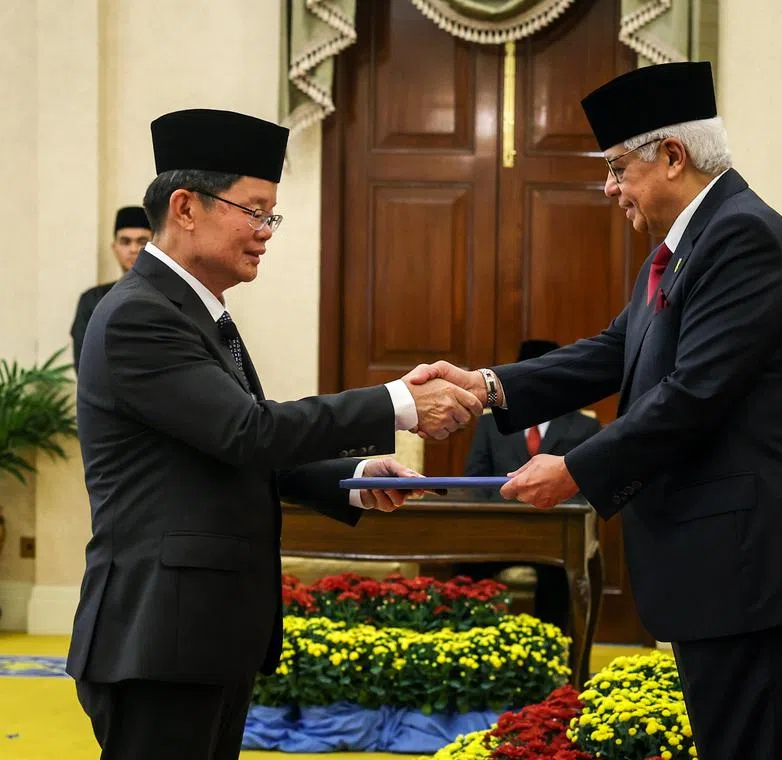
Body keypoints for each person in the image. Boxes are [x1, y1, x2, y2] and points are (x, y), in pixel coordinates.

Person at [409, 62, 782, 760]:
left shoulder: (743, 238)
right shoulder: (687, 246)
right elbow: (612, 350)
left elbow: (694, 395)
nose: (609, 188)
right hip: (726, 565)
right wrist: (488, 386)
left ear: (673, 156)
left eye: (618, 167)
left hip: (758, 564)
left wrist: (577, 471)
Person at [66, 108, 481, 760]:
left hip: (202, 630)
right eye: (255, 211)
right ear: (186, 207)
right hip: (158, 631)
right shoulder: (141, 317)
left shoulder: (200, 314)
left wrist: (354, 479)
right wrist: (398, 402)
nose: (266, 233)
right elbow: (246, 431)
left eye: (271, 216)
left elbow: (233, 450)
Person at [457, 338, 602, 629]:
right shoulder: (491, 424)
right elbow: (476, 480)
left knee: (558, 573)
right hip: (496, 534)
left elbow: (588, 488)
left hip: (553, 535)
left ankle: (553, 655)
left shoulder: (584, 427)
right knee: (464, 565)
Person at [71, 205, 152, 371]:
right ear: (114, 248)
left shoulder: (170, 295)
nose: (134, 249)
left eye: (142, 241)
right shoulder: (92, 300)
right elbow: (85, 365)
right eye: (125, 242)